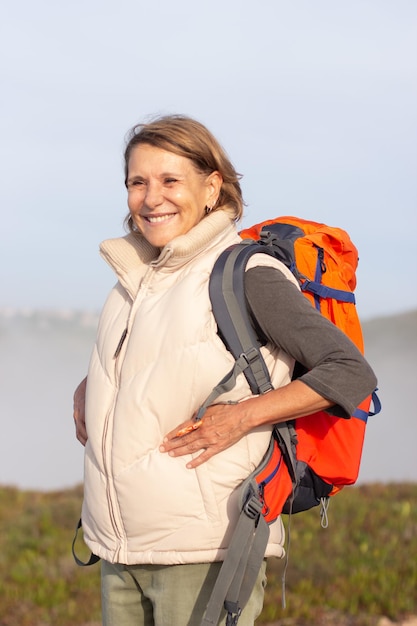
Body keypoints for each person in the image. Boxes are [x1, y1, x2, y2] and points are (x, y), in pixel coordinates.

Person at [73, 114, 377, 626]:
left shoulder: (246, 273)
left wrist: (241, 417)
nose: (152, 198)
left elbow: (349, 371)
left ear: (212, 187)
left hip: (205, 552)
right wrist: (93, 386)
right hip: (119, 550)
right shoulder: (132, 281)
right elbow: (166, 361)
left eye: (171, 180)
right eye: (137, 182)